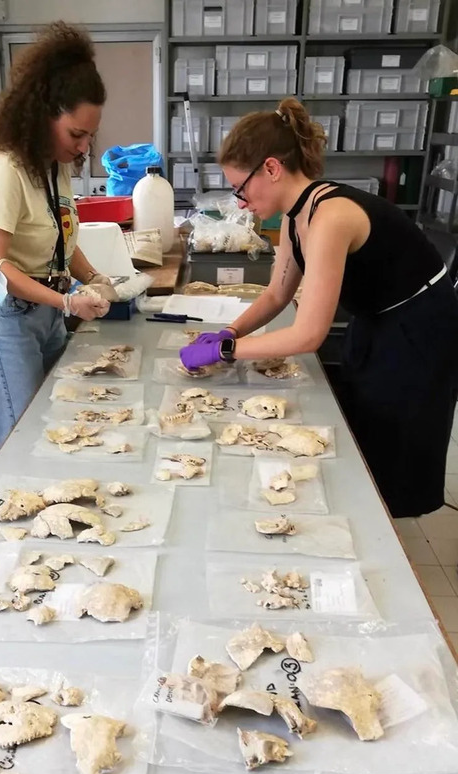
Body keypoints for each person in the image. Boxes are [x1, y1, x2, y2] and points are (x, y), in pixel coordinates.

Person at [180, 97, 458, 519]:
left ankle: (389, 531)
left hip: (419, 327)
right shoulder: (295, 216)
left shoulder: (331, 215)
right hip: (378, 316)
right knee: (363, 422)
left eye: (241, 188)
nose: (239, 202)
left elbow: (309, 335)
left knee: (397, 439)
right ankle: (369, 506)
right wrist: (231, 332)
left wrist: (224, 353)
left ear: (271, 168)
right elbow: (276, 294)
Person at [0, 22, 112, 452]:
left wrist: (94, 276)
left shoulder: (53, 164)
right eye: (76, 134)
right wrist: (66, 301)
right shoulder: (3, 169)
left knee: (60, 428)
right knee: (21, 446)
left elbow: (58, 241)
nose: (84, 147)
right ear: (43, 114)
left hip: (45, 316)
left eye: (90, 135)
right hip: (4, 320)